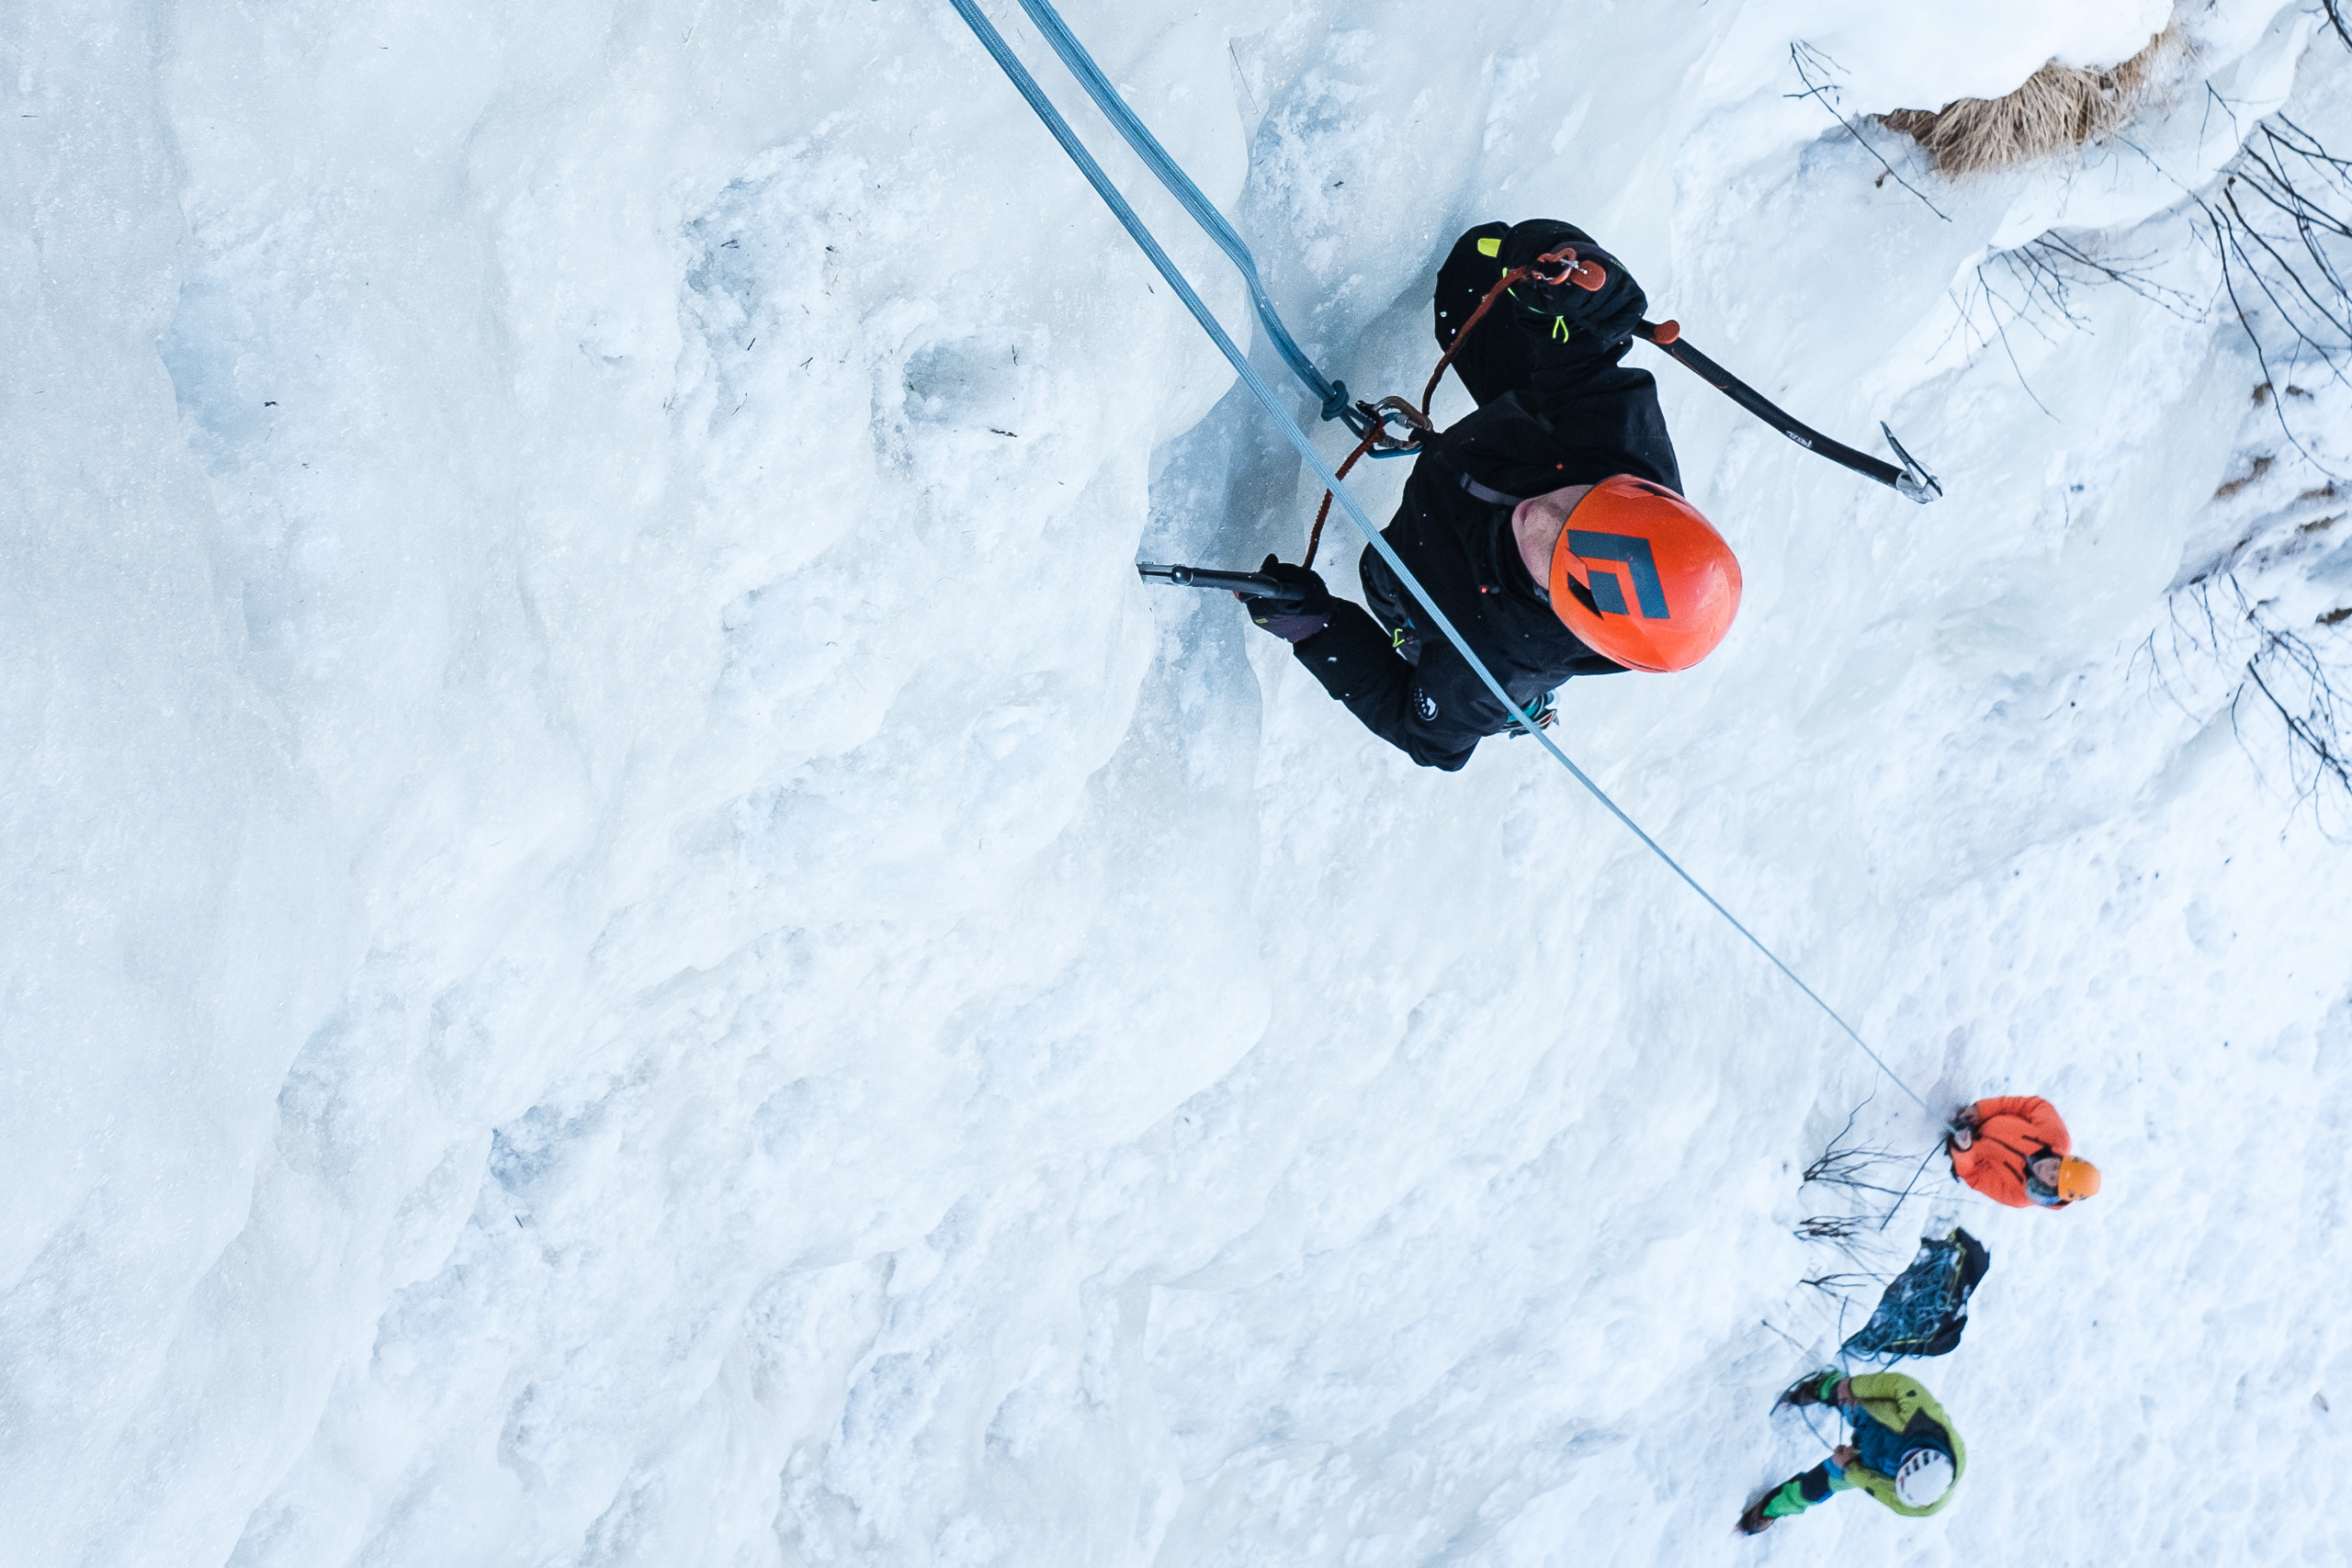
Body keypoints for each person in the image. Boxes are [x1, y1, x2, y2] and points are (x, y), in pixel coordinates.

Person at [1239, 220, 1742, 771]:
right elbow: (1586, 353)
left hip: (1436, 578)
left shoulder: (1489, 668)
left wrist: (1314, 626)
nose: (1538, 515)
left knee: (1385, 582)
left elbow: (1428, 740)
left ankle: (1514, 704)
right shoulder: (1622, 446)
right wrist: (1566, 278)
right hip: (1505, 441)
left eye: (1552, 559)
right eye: (1580, 504)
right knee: (1473, 277)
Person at [1738, 1371, 1964, 1533]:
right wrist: (1854, 1387)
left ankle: (1770, 1509)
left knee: (1814, 1488)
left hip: (1870, 1467)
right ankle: (1823, 1386)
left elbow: (1875, 1487)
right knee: (1840, 1392)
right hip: (1872, 1416)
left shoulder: (1915, 1503)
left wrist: (1849, 1467)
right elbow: (1899, 1384)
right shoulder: (1927, 1422)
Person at [1948, 1095, 2100, 1209]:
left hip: (1955, 1146)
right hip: (1968, 1112)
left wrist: (1963, 1150)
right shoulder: (2056, 1137)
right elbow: (2031, 1106)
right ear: (2062, 1159)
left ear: (2051, 1189)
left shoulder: (2018, 1196)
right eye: (2056, 1166)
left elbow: (1974, 1175)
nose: (2047, 1169)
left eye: (2052, 1178)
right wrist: (1981, 1111)